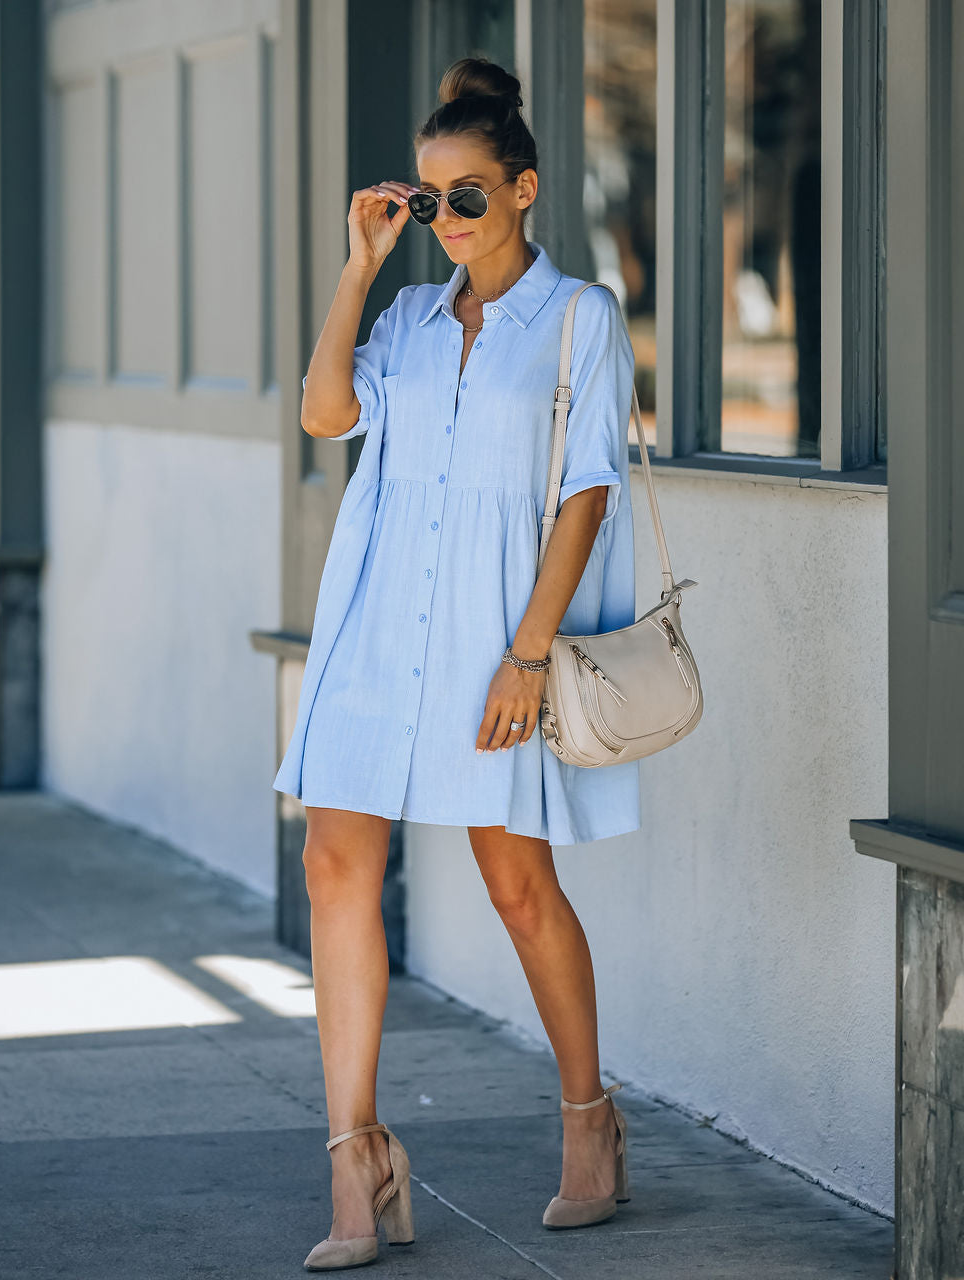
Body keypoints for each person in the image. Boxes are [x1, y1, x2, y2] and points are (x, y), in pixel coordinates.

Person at [274, 55, 640, 1272]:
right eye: (427, 202)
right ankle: (355, 1158)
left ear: (525, 189)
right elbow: (326, 412)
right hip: (378, 627)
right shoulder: (409, 319)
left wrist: (528, 654)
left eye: (466, 197)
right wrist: (361, 261)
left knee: (514, 881)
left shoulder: (581, 318)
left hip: (496, 635)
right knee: (336, 858)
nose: (445, 222)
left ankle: (590, 1122)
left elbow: (585, 492)